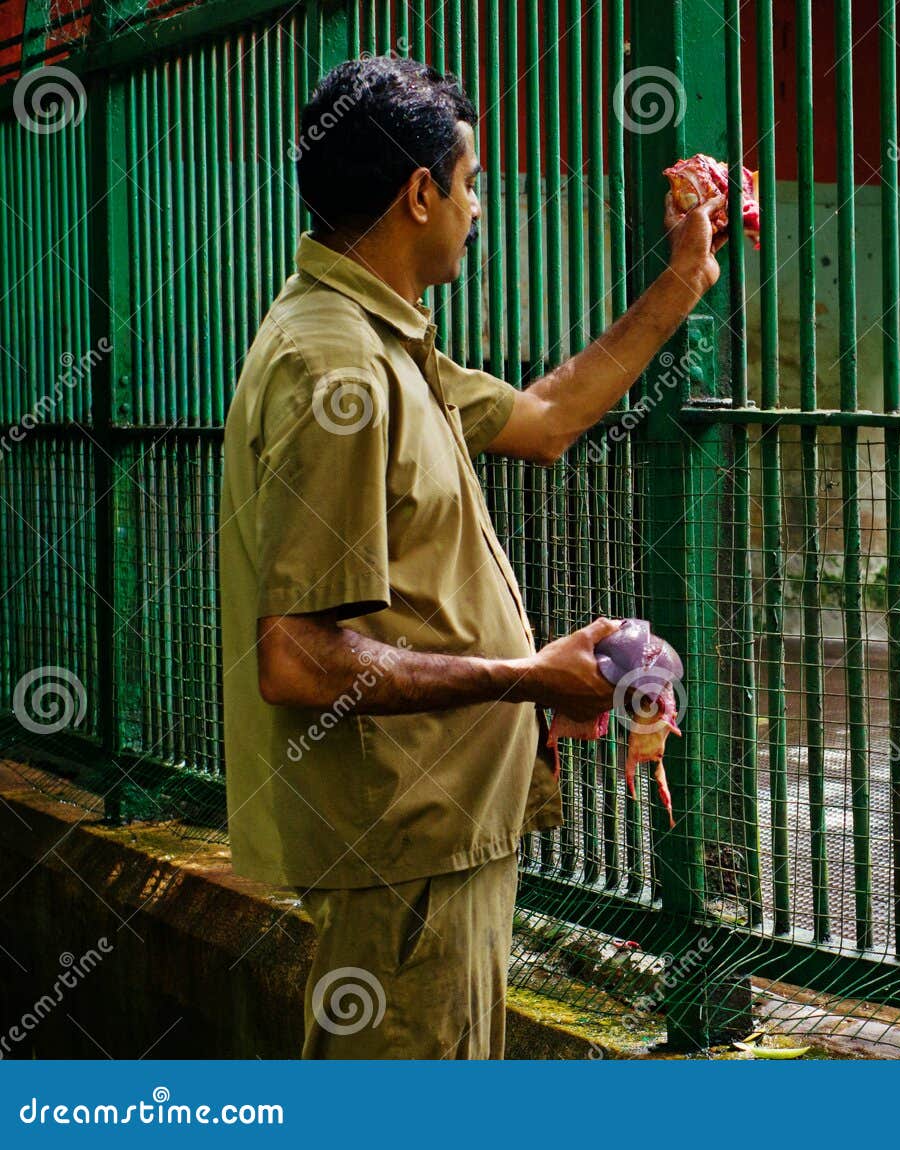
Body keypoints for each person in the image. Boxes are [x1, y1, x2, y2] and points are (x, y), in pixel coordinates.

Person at [216, 55, 723, 1058]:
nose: (477, 207)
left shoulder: (383, 340)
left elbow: (542, 418)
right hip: (402, 858)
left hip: (430, 848)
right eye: (472, 179)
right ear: (419, 194)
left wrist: (684, 279)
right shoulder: (336, 370)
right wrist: (524, 675)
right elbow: (298, 658)